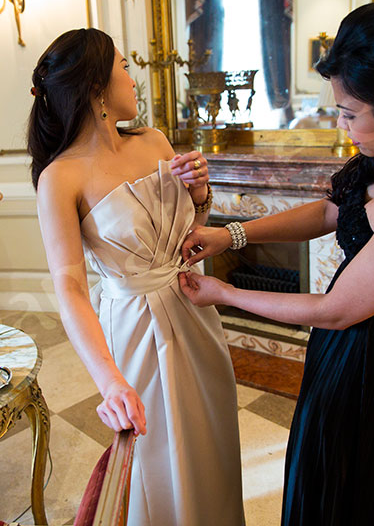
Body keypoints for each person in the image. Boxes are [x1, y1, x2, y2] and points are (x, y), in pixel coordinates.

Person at [177, 0, 374, 524]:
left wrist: (224, 294)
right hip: (350, 351)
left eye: (348, 114)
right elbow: (332, 211)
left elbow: (337, 308)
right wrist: (232, 235)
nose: (342, 125)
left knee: (353, 492)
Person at [28, 28, 245, 525]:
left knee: (211, 440)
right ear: (97, 88)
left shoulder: (154, 140)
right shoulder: (60, 178)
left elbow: (190, 233)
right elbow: (71, 287)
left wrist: (200, 192)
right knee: (160, 458)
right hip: (136, 326)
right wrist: (108, 382)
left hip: (195, 309)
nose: (133, 77)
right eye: (124, 66)